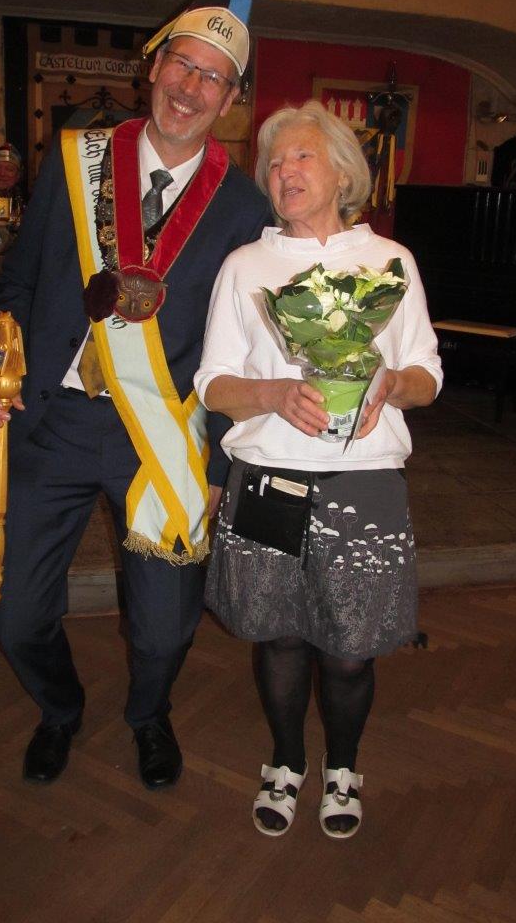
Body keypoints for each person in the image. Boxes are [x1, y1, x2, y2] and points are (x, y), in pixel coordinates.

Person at [0, 0, 270, 790]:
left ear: (230, 99)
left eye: (213, 78)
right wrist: (0, 365)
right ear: (153, 66)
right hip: (53, 420)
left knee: (166, 631)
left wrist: (220, 463)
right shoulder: (75, 160)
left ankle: (149, 714)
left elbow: (245, 349)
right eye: (182, 64)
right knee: (14, 615)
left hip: (164, 435)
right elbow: (17, 283)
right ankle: (59, 709)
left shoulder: (246, 209)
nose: (190, 88)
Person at [194, 99, 442, 838]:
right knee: (279, 639)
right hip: (269, 477)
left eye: (301, 156)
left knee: (351, 650)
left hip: (364, 482)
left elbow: (428, 375)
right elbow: (212, 384)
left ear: (342, 172)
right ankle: (285, 760)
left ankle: (343, 767)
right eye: (274, 163)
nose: (284, 172)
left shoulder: (391, 263)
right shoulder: (245, 266)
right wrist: (273, 394)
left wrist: (391, 384)